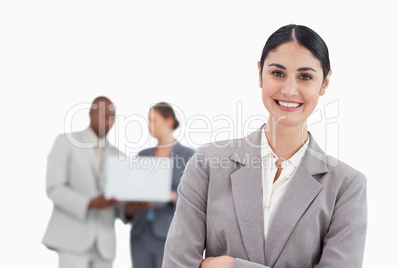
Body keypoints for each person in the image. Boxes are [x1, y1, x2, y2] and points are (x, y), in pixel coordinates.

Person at [162, 24, 368, 268]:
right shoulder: (207, 163)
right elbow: (177, 263)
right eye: (278, 73)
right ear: (260, 74)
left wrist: (231, 266)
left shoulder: (346, 186)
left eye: (305, 77)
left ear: (324, 83)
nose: (289, 90)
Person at [42, 96, 127, 268]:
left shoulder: (119, 156)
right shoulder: (66, 142)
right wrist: (89, 203)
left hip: (105, 244)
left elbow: (118, 203)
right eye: (105, 116)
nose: (109, 122)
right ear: (91, 114)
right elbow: (54, 188)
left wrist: (130, 210)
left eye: (112, 118)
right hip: (72, 239)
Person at [126, 102, 195, 268]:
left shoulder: (188, 156)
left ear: (169, 122)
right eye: (148, 121)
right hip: (140, 232)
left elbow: (196, 198)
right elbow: (134, 189)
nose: (149, 126)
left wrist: (170, 195)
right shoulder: (143, 156)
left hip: (168, 234)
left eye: (153, 120)